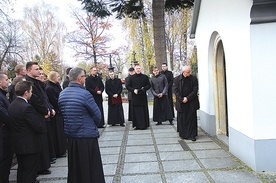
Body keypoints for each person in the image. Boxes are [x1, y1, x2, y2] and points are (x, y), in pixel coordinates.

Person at [58, 67, 105, 183]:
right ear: (79, 79)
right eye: (84, 76)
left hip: (72, 136)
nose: (85, 78)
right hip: (86, 136)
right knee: (91, 166)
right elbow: (97, 115)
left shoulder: (62, 94)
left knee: (76, 166)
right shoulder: (85, 94)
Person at [8, 81, 46, 183]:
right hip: (29, 145)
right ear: (26, 92)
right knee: (30, 172)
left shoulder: (12, 105)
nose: (31, 93)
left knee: (22, 170)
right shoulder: (27, 107)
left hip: (18, 143)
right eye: (31, 91)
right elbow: (37, 126)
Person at [25, 62, 52, 175]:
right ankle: (39, 167)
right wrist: (45, 110)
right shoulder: (28, 83)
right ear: (29, 70)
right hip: (37, 114)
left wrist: (48, 108)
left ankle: (43, 165)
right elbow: (35, 99)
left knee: (43, 142)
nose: (39, 71)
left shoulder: (37, 82)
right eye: (36, 69)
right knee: (39, 142)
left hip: (43, 113)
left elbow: (44, 97)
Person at [174, 65, 199, 141]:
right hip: (181, 103)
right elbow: (175, 90)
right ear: (183, 72)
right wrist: (181, 99)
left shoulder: (194, 79)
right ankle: (183, 134)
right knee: (182, 119)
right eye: (188, 72)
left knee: (191, 119)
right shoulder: (177, 79)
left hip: (191, 102)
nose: (189, 73)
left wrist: (187, 98)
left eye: (190, 71)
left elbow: (195, 90)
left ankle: (192, 135)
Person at [46, 71, 67, 158]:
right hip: (56, 112)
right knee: (58, 133)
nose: (59, 78)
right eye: (57, 76)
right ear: (53, 77)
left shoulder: (57, 85)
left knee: (61, 132)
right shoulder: (49, 88)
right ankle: (59, 151)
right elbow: (54, 100)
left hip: (61, 111)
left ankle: (63, 148)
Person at [126, 64, 151, 130]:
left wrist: (144, 88)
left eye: (139, 68)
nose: (138, 70)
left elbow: (149, 85)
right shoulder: (131, 78)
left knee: (143, 111)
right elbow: (128, 86)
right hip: (135, 97)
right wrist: (133, 90)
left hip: (143, 97)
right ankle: (137, 125)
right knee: (136, 112)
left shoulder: (145, 77)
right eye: (137, 68)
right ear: (135, 69)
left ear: (141, 69)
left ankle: (144, 125)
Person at [0, 72, 12, 183]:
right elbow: (4, 115)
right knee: (4, 161)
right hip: (4, 133)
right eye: (7, 80)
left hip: (7, 132)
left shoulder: (3, 94)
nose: (8, 82)